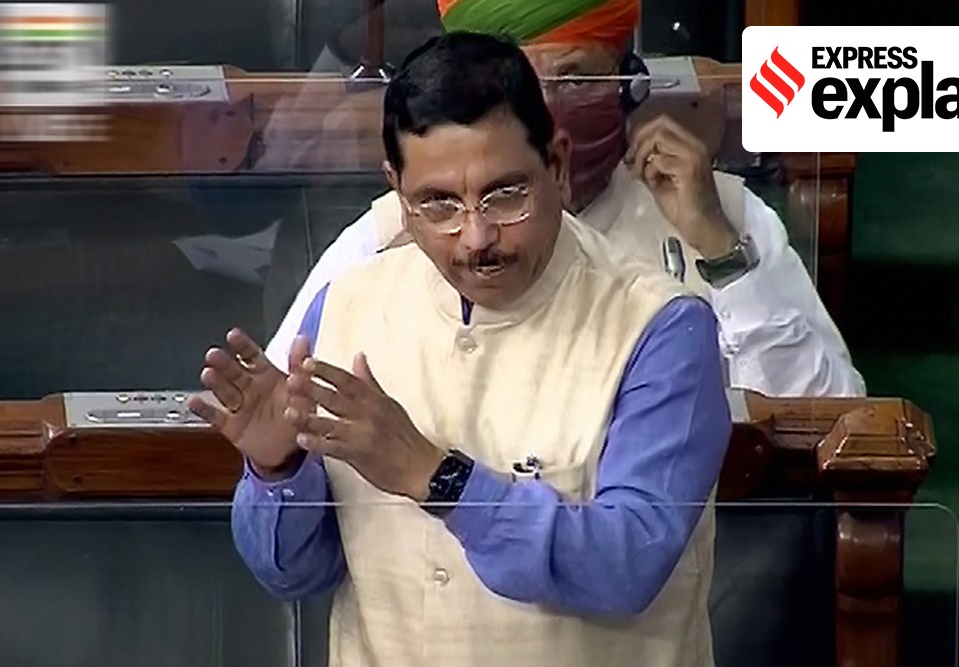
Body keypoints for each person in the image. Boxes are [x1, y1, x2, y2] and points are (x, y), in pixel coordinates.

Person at [189, 32, 732, 667]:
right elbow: (294, 574)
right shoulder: (346, 306)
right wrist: (278, 472)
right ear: (398, 194)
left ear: (557, 166)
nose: (477, 237)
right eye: (438, 203)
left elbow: (629, 563)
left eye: (506, 194)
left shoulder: (661, 326)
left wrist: (434, 476)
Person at [263, 0, 865, 399]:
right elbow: (276, 407)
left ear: (630, 80)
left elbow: (829, 409)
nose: (550, 109)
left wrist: (722, 253)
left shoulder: (720, 211)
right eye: (526, 86)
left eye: (577, 78)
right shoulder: (395, 233)